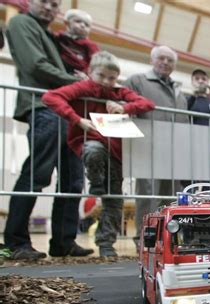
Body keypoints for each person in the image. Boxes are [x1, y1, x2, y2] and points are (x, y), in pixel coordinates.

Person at [3, 0, 93, 260]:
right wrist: (79, 84)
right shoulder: (22, 23)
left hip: (67, 112)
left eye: (55, 5)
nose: (49, 8)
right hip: (43, 106)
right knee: (37, 175)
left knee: (73, 181)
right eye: (44, 2)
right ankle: (16, 242)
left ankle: (64, 241)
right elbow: (35, 65)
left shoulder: (50, 35)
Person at [42, 51, 155, 256]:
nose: (106, 81)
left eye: (111, 78)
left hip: (116, 151)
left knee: (115, 200)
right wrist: (77, 119)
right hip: (91, 141)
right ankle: (96, 182)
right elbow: (51, 97)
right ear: (90, 72)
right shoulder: (82, 87)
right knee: (94, 151)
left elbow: (147, 104)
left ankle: (106, 244)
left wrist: (125, 107)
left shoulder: (118, 91)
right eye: (101, 76)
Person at [123, 45, 188, 248]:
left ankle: (165, 238)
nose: (166, 63)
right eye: (161, 58)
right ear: (152, 60)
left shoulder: (179, 92)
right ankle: (145, 239)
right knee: (148, 195)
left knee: (169, 197)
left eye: (170, 60)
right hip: (147, 147)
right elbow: (123, 106)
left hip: (173, 150)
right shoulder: (137, 81)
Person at [187, 68, 210, 182]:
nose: (200, 81)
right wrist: (194, 96)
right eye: (197, 79)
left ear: (208, 82)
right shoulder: (188, 100)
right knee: (190, 180)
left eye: (203, 79)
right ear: (192, 82)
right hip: (192, 146)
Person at [56, 9, 100, 75]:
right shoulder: (59, 36)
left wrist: (85, 73)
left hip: (78, 72)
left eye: (87, 25)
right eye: (78, 21)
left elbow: (97, 63)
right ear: (67, 22)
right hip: (59, 67)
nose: (82, 25)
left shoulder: (91, 45)